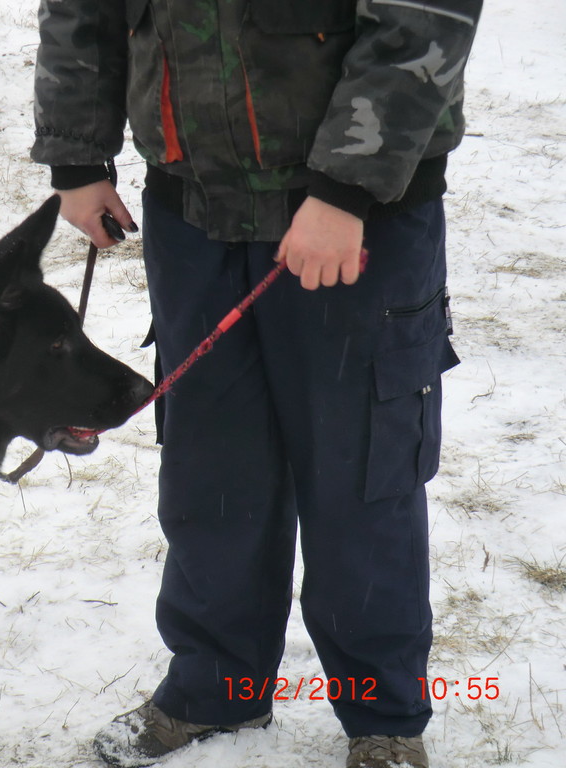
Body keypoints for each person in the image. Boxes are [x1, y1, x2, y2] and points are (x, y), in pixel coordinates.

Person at [31, 2, 482, 767]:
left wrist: (347, 186)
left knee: (360, 470)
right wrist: (77, 157)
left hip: (355, 222)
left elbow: (423, 16)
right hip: (191, 208)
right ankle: (215, 687)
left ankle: (383, 719)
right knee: (212, 467)